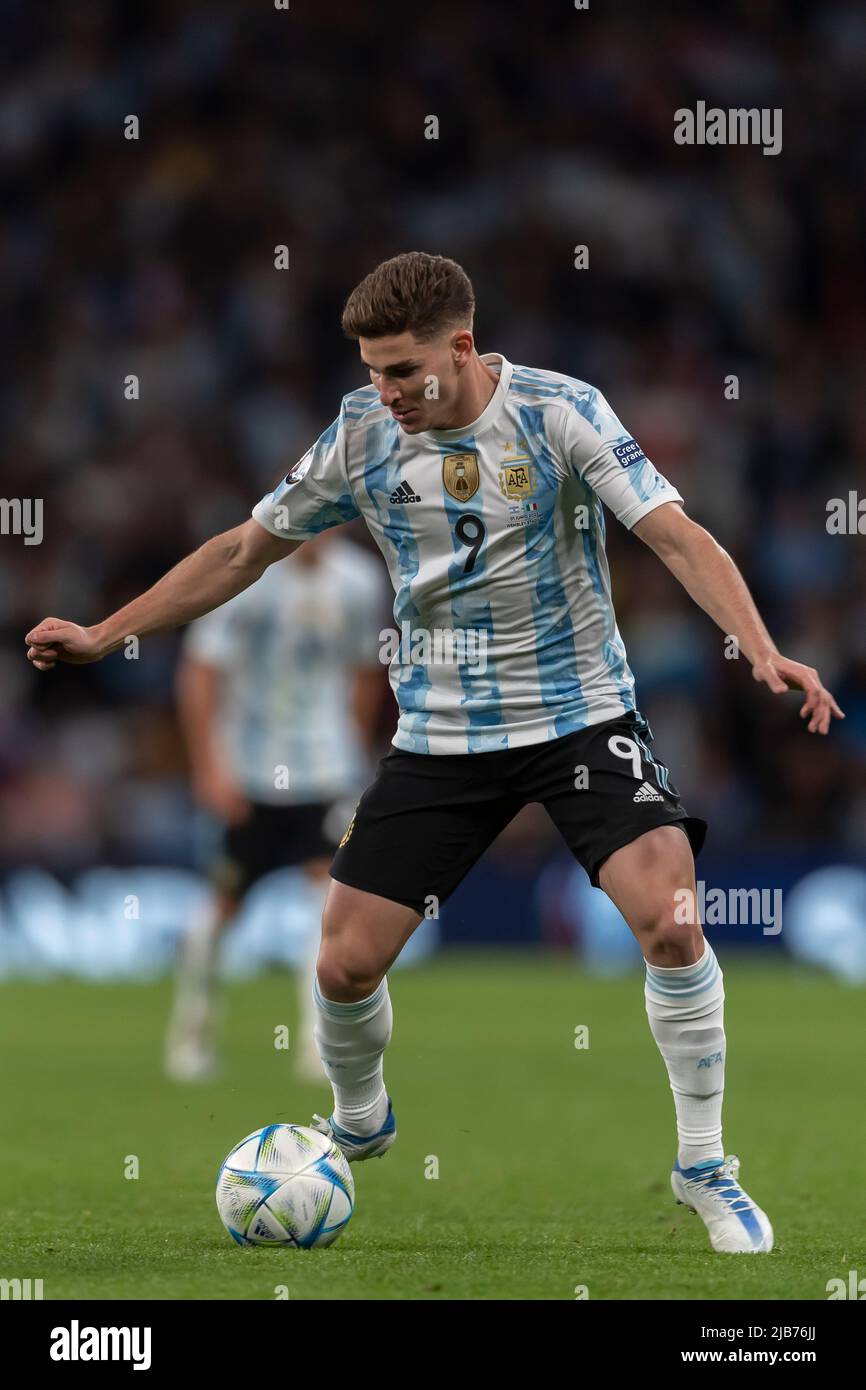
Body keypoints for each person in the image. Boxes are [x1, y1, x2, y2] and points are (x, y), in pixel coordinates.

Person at [26, 252, 843, 1255]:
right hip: (440, 738)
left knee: (671, 920)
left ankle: (704, 1166)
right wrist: (110, 632)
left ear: (461, 346)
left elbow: (676, 535)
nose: (388, 390)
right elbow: (244, 549)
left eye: (405, 368)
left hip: (576, 716)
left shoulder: (557, 412)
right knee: (340, 965)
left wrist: (757, 648)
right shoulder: (360, 435)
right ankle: (361, 1118)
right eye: (373, 369)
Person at [166, 531, 386, 1083]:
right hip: (251, 771)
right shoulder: (245, 578)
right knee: (224, 903)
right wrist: (210, 768)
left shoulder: (358, 579)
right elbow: (199, 671)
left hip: (325, 770)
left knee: (329, 900)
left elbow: (365, 671)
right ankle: (192, 1033)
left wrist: (354, 755)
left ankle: (319, 1045)